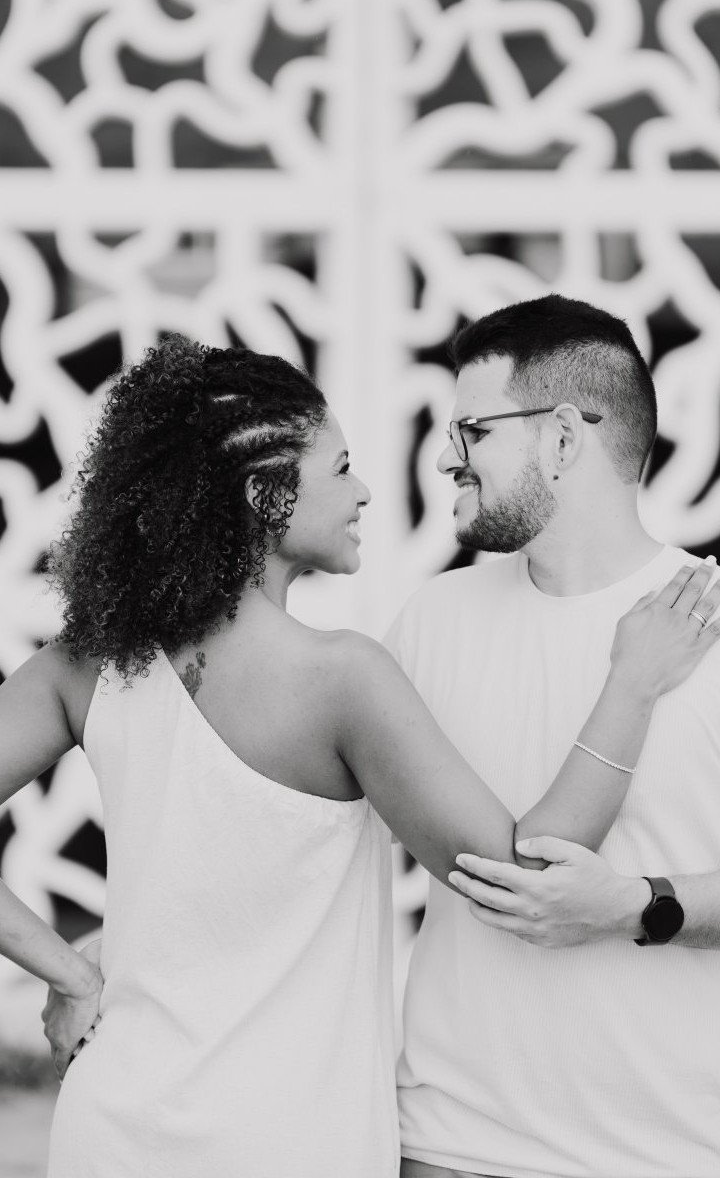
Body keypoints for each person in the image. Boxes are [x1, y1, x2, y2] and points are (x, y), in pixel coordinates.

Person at [0, 339, 715, 1178]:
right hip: (287, 1144)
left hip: (108, 1129)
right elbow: (526, 872)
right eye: (340, 469)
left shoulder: (84, 665)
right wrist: (631, 685)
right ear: (266, 495)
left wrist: (70, 975)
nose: (366, 490)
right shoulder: (340, 679)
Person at [386, 294, 720, 1178]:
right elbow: (334, 838)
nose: (446, 458)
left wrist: (636, 905)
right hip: (453, 1147)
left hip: (671, 1156)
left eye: (472, 431)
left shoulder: (710, 622)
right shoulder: (431, 620)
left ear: (564, 437)